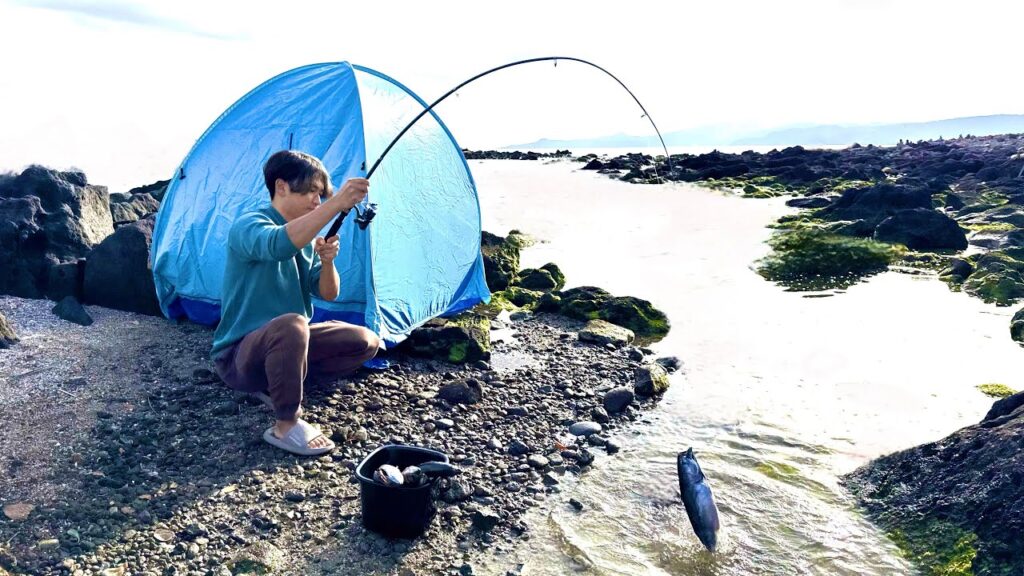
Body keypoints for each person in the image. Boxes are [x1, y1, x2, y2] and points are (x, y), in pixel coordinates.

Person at [211, 150, 380, 456]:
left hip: (287, 342)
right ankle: (286, 423)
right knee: (292, 324)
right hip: (238, 357)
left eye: (322, 194)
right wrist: (337, 204)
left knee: (365, 341)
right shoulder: (249, 224)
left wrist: (327, 263)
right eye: (312, 192)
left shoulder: (305, 236)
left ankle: (284, 382)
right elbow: (276, 245)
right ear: (281, 186)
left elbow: (328, 293)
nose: (318, 201)